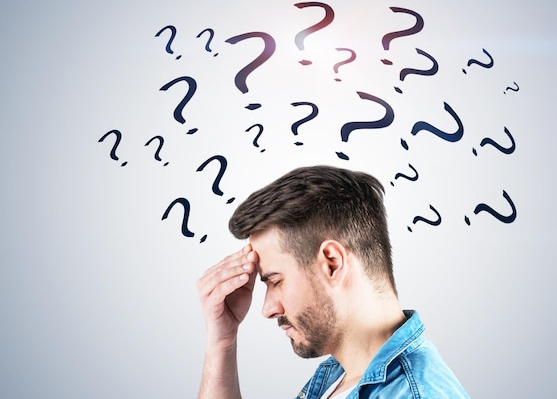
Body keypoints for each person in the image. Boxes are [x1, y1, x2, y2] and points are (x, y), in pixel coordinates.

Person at [196, 165, 470, 399]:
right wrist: (222, 342)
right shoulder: (339, 377)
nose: (268, 309)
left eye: (275, 281)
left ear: (333, 263)